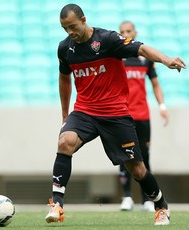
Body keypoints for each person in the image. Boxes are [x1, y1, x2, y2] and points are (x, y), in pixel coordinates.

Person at [45, 4, 186, 226]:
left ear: (83, 19)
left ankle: (160, 206)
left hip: (115, 114)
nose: (70, 32)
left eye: (72, 26)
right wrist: (65, 114)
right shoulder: (65, 49)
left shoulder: (108, 40)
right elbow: (64, 78)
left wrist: (166, 60)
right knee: (65, 142)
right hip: (84, 111)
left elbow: (141, 49)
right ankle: (57, 204)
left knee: (137, 170)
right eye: (65, 29)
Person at [118, 21, 170, 212]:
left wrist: (162, 105)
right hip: (122, 114)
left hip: (142, 115)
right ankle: (126, 197)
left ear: (135, 32)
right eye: (122, 32)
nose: (125, 34)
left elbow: (155, 84)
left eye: (128, 31)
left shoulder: (145, 58)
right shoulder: (117, 57)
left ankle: (147, 199)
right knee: (124, 156)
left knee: (144, 157)